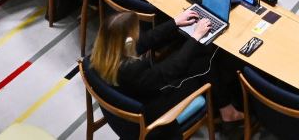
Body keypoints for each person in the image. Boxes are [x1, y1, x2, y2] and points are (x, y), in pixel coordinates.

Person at [89, 12, 245, 132]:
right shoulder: (132, 69)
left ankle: (226, 109)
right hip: (156, 112)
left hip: (133, 96)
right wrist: (196, 36)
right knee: (205, 64)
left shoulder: (101, 53)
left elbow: (146, 40)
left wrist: (175, 22)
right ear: (127, 41)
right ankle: (228, 112)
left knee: (194, 57)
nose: (139, 35)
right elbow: (171, 70)